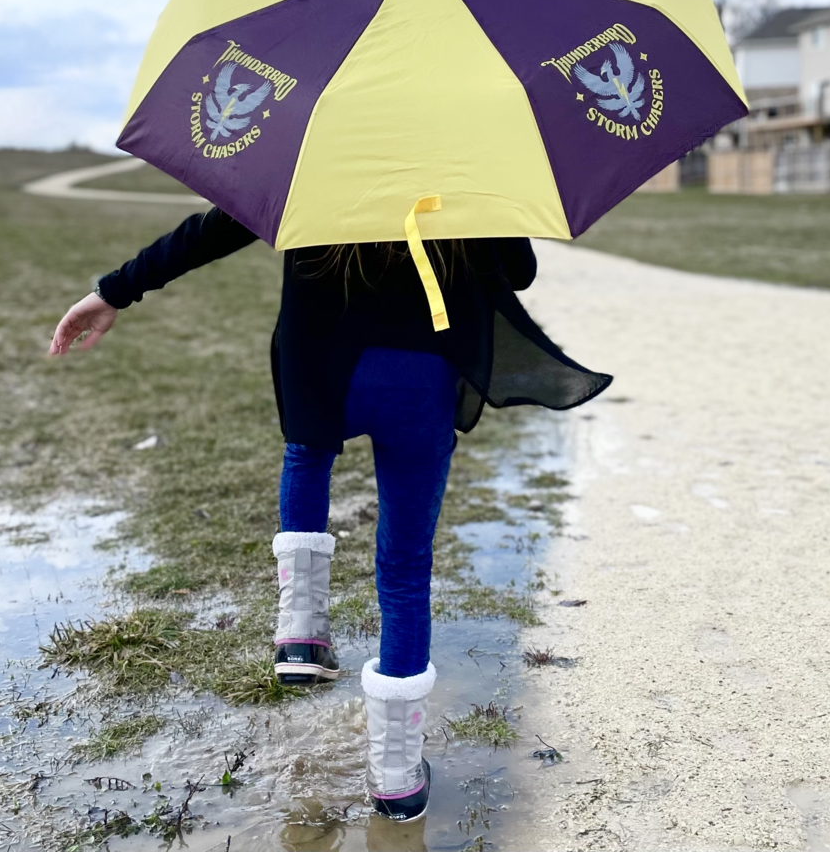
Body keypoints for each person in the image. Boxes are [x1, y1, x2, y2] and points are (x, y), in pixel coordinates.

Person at [49, 207, 610, 823]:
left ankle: (299, 632)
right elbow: (520, 272)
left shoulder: (309, 163)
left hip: (322, 367)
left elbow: (213, 228)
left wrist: (113, 291)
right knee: (403, 566)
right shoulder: (455, 169)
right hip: (418, 375)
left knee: (308, 451)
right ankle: (396, 777)